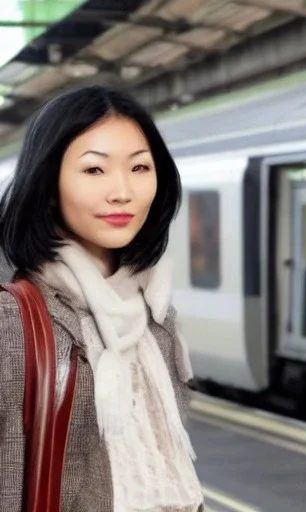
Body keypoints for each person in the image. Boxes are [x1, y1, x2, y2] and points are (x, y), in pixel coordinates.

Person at [0, 85, 204, 511]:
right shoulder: (12, 323)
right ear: (49, 183)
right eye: (95, 170)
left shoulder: (155, 315)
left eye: (140, 168)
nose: (122, 192)